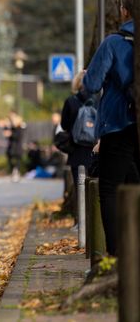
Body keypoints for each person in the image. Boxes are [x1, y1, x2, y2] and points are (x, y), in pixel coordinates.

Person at [82, 0, 136, 257]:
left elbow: (91, 84)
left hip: (119, 124)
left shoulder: (115, 42)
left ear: (125, 10)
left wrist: (87, 75)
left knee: (111, 189)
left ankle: (115, 261)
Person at [59, 70, 98, 215]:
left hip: (76, 151)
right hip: (95, 149)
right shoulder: (98, 100)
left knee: (79, 187)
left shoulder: (70, 101)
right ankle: (94, 220)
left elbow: (64, 125)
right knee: (96, 187)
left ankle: (80, 221)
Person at [1, 111, 25, 182]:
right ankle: (12, 172)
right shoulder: (12, 127)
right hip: (11, 147)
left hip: (17, 147)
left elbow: (18, 136)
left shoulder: (20, 127)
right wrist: (5, 126)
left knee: (17, 160)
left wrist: (10, 134)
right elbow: (6, 132)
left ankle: (16, 172)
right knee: (10, 158)